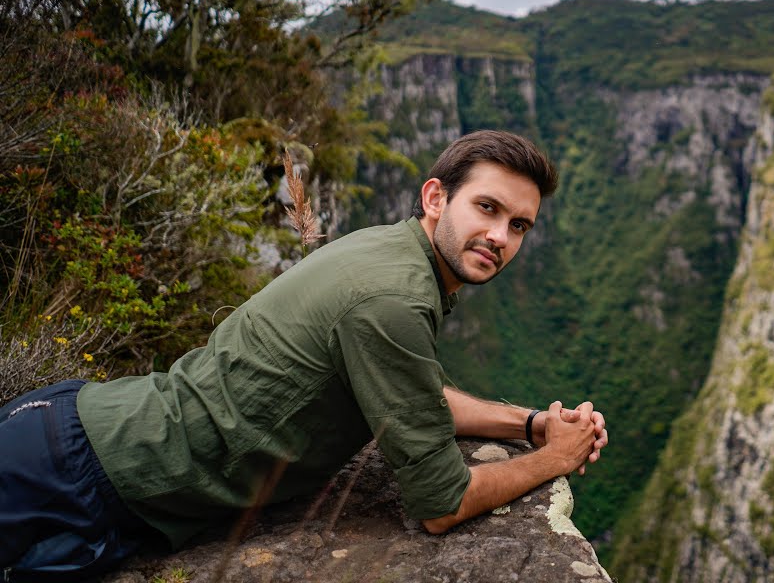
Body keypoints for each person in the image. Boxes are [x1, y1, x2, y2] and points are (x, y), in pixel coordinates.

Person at [0, 130, 608, 581]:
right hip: (79, 480)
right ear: (434, 198)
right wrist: (553, 458)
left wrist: (530, 424)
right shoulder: (393, 298)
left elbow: (413, 398)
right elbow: (441, 505)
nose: (501, 237)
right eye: (487, 208)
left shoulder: (388, 251)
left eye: (520, 226)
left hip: (73, 425)